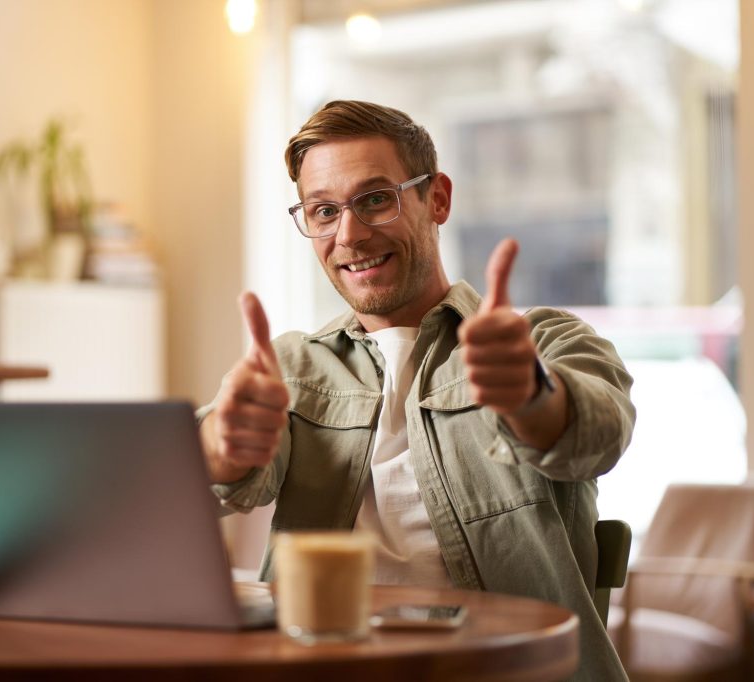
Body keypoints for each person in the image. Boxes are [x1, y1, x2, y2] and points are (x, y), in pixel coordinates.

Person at [198, 100, 635, 681]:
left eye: (376, 199)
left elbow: (598, 433)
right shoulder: (290, 368)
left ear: (438, 199)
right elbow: (193, 483)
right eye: (323, 211)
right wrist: (220, 446)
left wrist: (530, 396)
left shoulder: (542, 340)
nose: (348, 235)